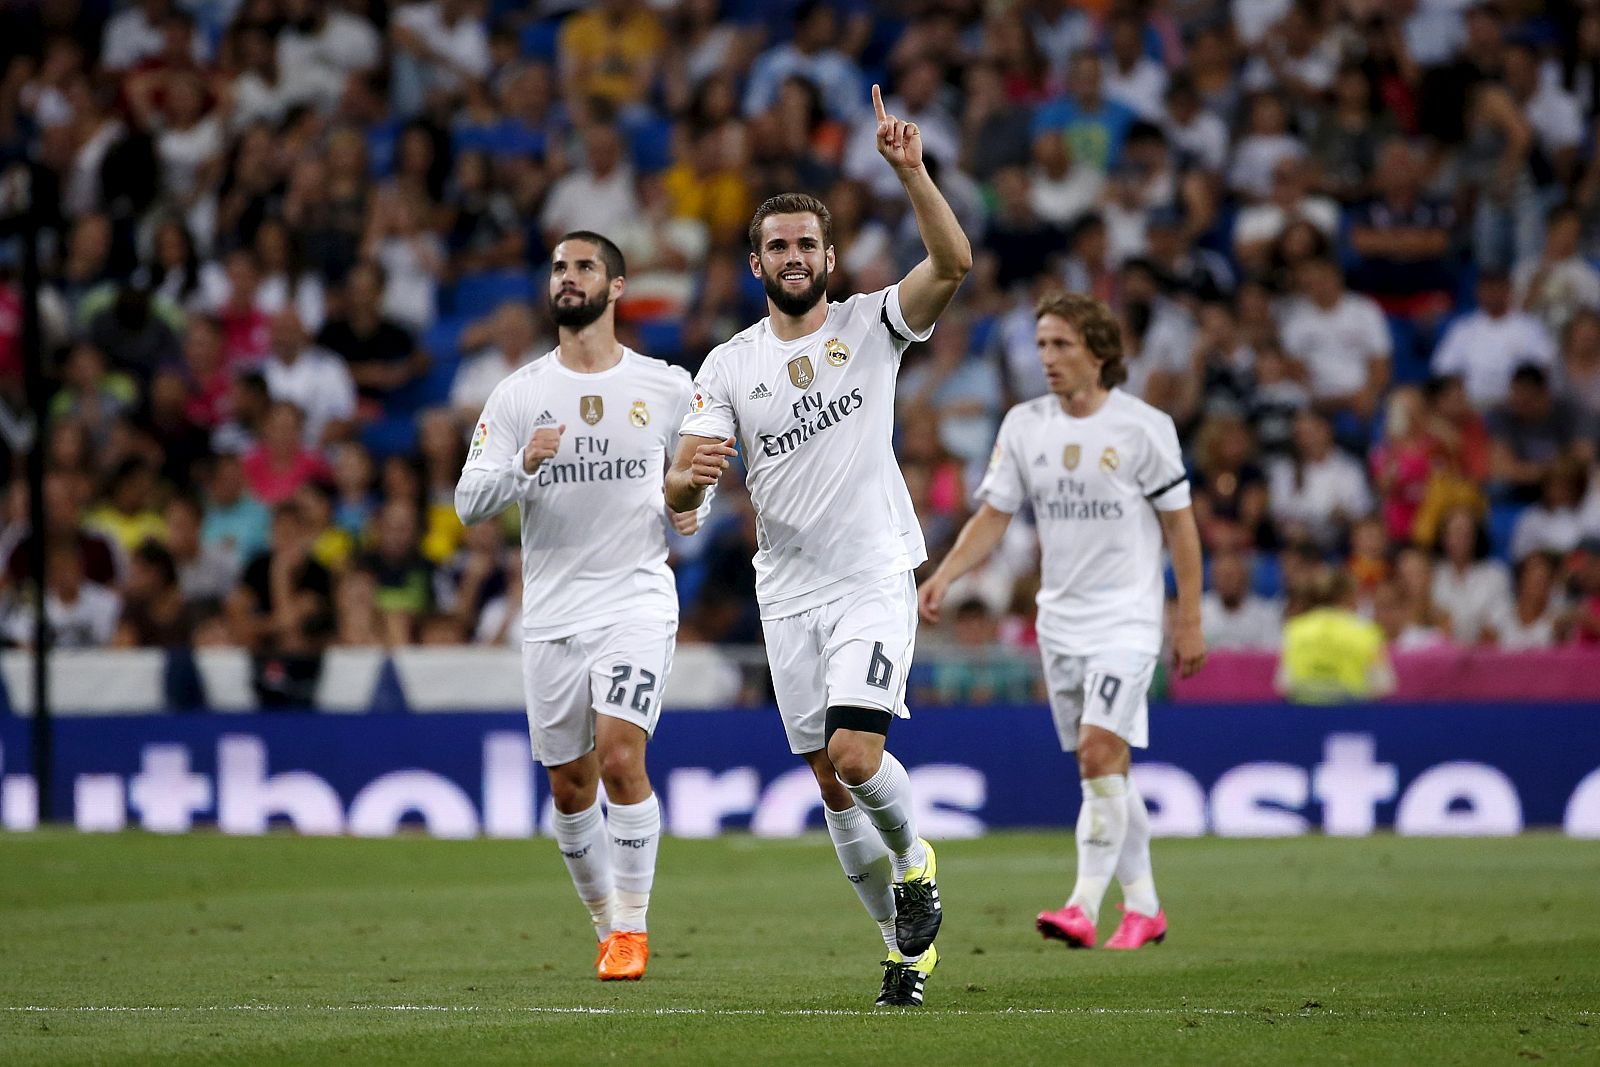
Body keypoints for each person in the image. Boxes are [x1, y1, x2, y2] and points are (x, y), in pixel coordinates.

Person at [666, 86, 972, 1009]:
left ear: (829, 258)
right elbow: (683, 483)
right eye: (778, 247)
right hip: (785, 589)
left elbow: (953, 264)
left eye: (807, 245)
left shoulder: (871, 323)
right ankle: (902, 950)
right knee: (829, 787)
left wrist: (912, 172)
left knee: (853, 754)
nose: (794, 258)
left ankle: (915, 862)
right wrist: (689, 480)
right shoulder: (727, 365)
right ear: (754, 261)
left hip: (872, 572)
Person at [918, 291, 1205, 954]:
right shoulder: (1024, 424)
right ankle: (1145, 907)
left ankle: (1081, 904)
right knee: (1105, 766)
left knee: (1099, 753)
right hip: (1060, 621)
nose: (1045, 358)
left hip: (1127, 618)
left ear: (1099, 352)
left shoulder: (1143, 427)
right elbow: (994, 515)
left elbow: (1180, 526)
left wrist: (1186, 617)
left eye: (1061, 345)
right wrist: (947, 572)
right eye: (1041, 345)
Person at [455, 231, 701, 983]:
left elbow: (698, 468)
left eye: (584, 266)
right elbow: (469, 501)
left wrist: (691, 504)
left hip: (634, 598)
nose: (567, 277)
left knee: (623, 757)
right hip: (553, 614)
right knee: (569, 787)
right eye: (559, 267)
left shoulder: (664, 383)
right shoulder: (519, 393)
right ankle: (604, 923)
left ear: (617, 286)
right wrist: (524, 465)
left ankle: (632, 927)